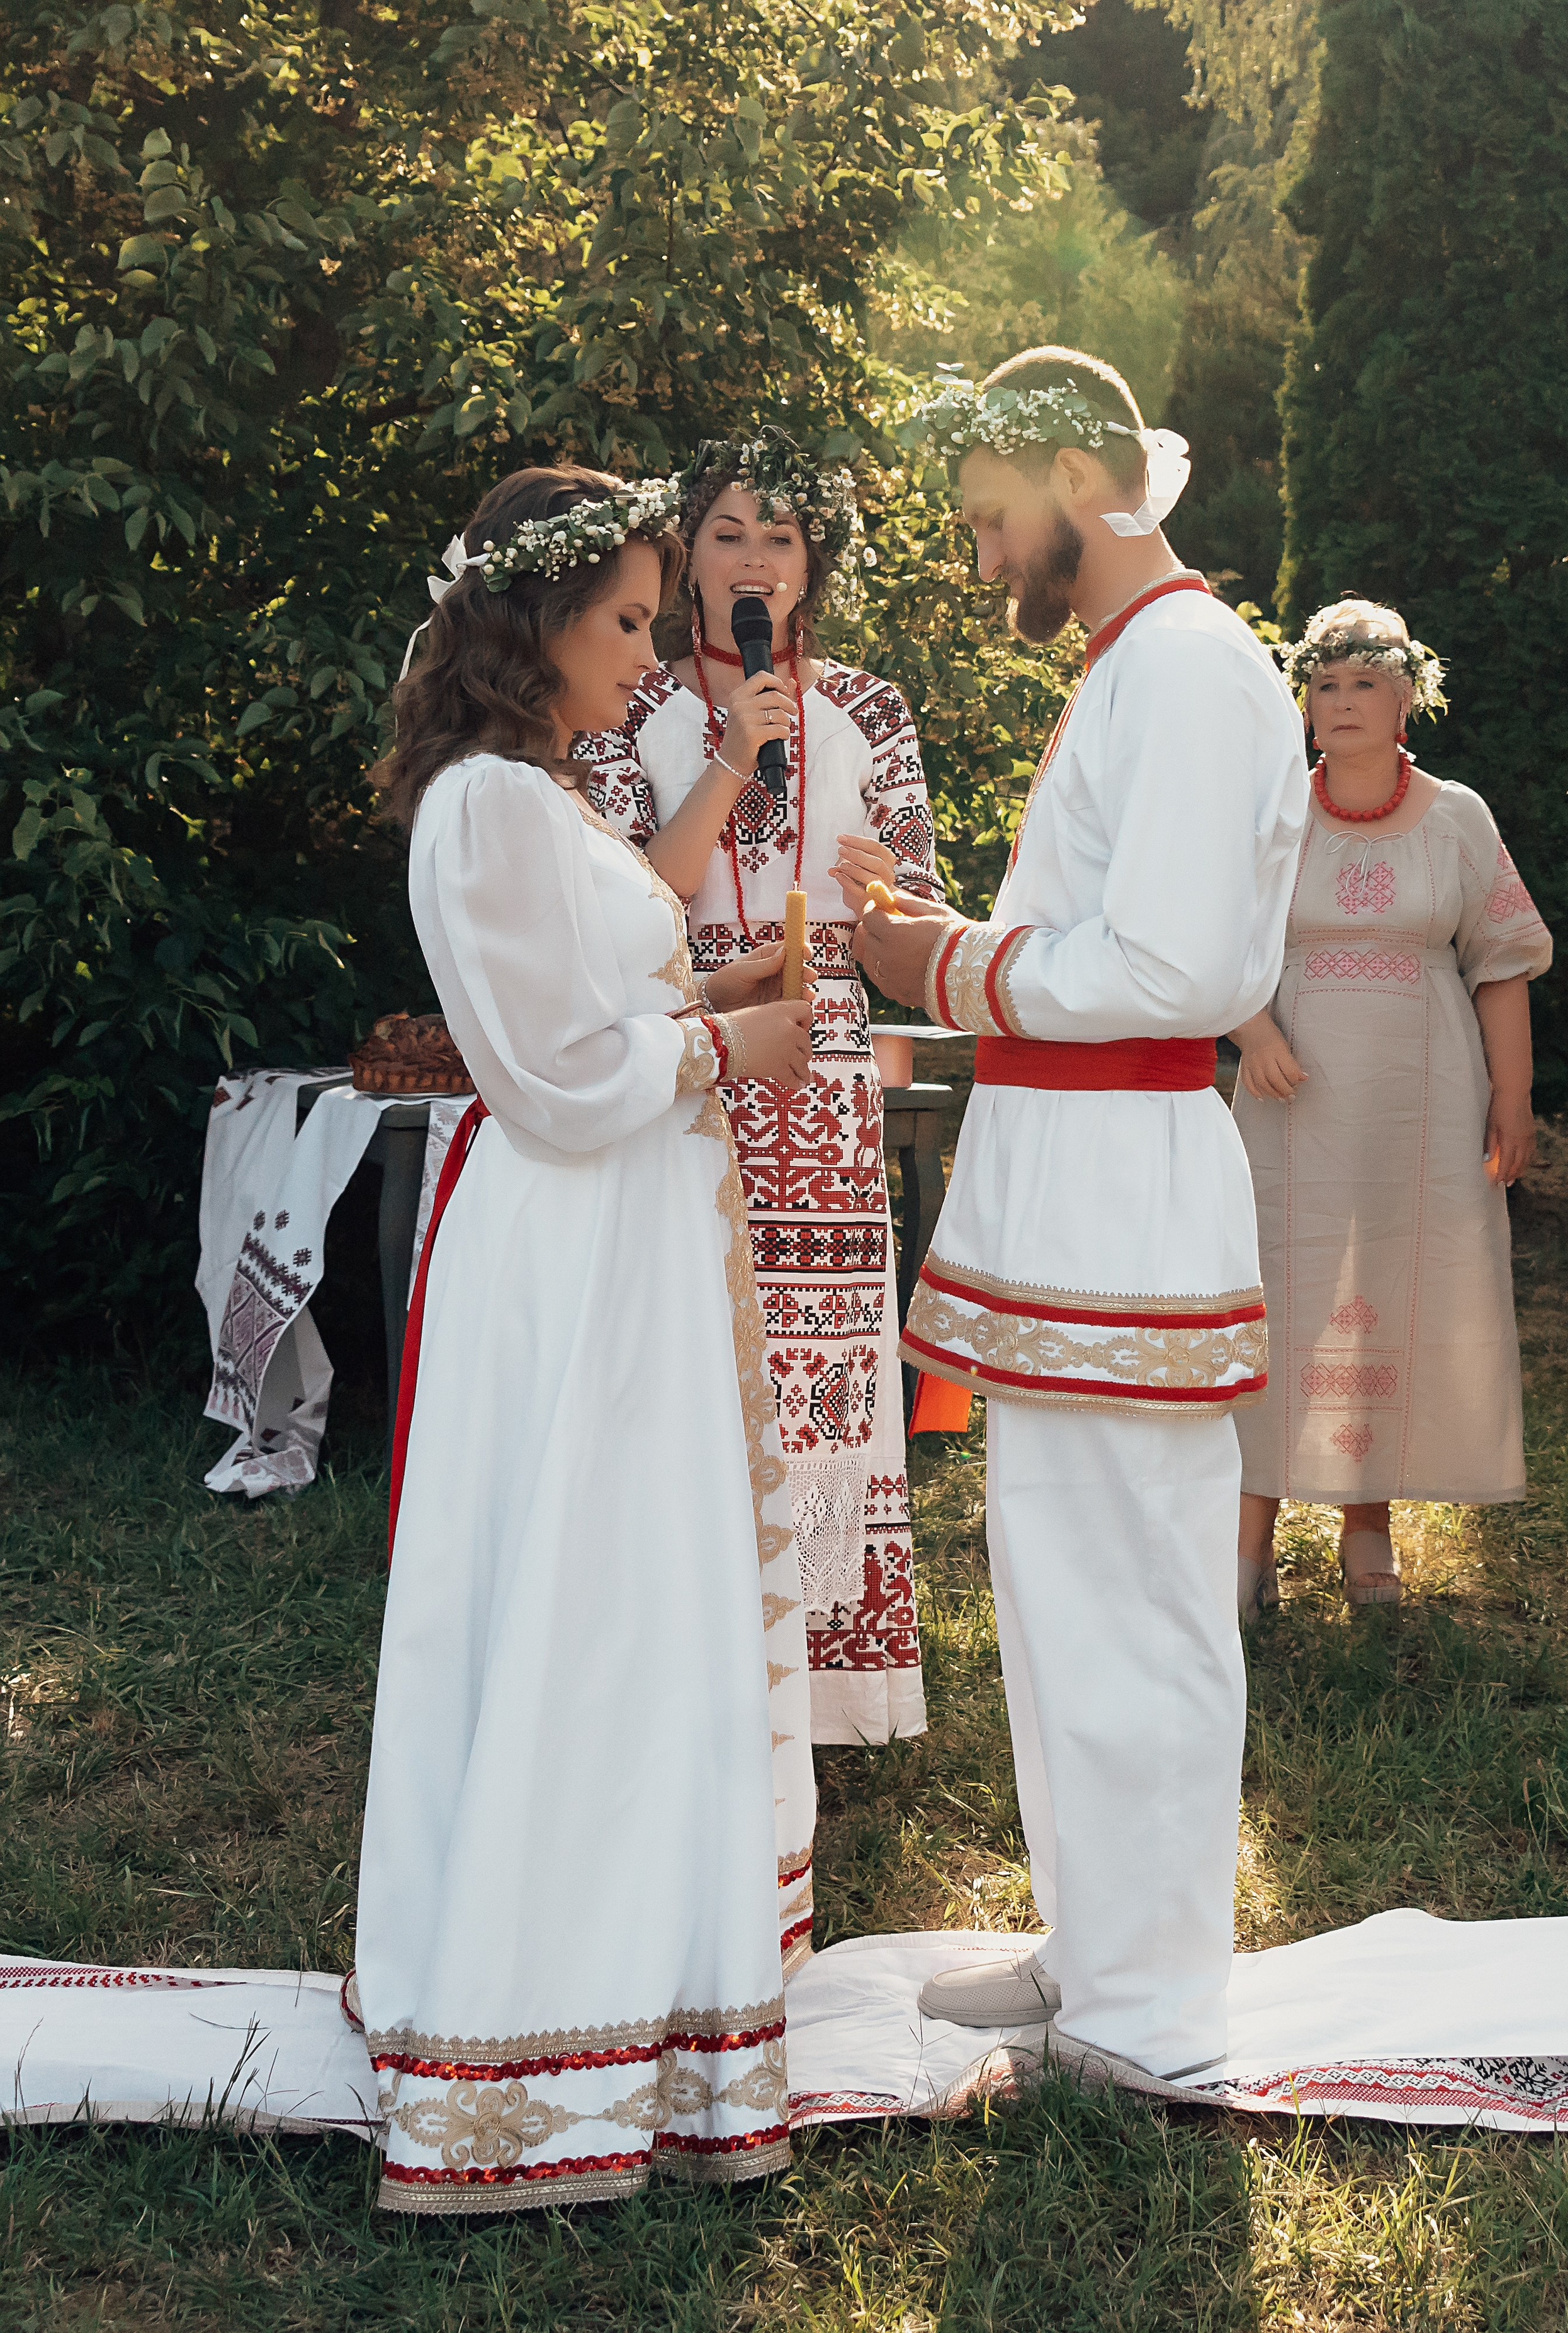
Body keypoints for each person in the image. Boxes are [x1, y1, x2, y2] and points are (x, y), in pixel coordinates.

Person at [354, 466, 818, 2215]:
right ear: (529, 622)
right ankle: (533, 2025)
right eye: (628, 621)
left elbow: (598, 989)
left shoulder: (537, 801)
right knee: (580, 1593)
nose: (651, 649)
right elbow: (550, 1077)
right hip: (568, 1246)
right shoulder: (483, 806)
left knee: (634, 1596)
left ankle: (646, 1982)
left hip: (624, 1239)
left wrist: (706, 994)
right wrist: (724, 1056)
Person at [857, 348, 1307, 2082]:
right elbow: (1109, 941)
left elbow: (1183, 970)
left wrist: (938, 961)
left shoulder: (1190, 669)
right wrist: (948, 940)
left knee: (1134, 1593)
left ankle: (1153, 2010)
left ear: (1068, 469)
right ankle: (1102, 1944)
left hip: (1126, 1195)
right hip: (1066, 1189)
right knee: (1060, 1585)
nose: (982, 564)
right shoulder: (1134, 667)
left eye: (989, 522)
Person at [579, 426, 943, 1746]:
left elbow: (919, 897)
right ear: (686, 561)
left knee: (822, 1370)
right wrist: (731, 748)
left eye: (777, 538)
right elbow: (632, 897)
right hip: (688, 1052)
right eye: (727, 533)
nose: (752, 559)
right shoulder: (624, 700)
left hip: (823, 1057)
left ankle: (828, 1693)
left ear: (809, 567)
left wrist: (880, 901)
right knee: (694, 1346)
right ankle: (690, 1679)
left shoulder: (869, 708)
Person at [1230, 599, 1552, 1618]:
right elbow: (1219, 944)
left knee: (1386, 1285)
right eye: (1325, 684)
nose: (1341, 701)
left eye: (1364, 682)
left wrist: (1515, 1094)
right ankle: (1248, 1539)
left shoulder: (1459, 816)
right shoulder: (1274, 811)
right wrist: (1253, 1031)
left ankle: (1368, 1526)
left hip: (1424, 1107)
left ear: (1408, 695)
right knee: (1280, 1292)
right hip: (1290, 1099)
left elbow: (1501, 961)